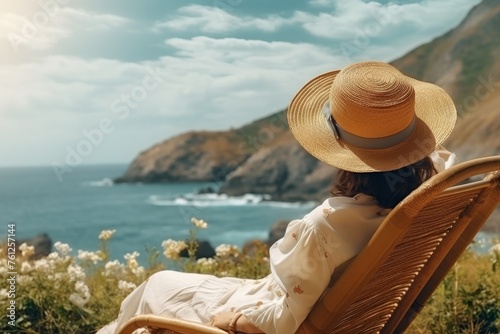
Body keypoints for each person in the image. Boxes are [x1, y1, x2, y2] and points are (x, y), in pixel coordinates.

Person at [97, 61, 457, 334]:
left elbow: (283, 321)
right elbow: (441, 156)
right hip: (348, 315)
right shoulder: (434, 190)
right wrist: (398, 140)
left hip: (273, 317)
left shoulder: (326, 226)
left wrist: (235, 320)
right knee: (161, 284)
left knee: (155, 289)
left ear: (339, 149)